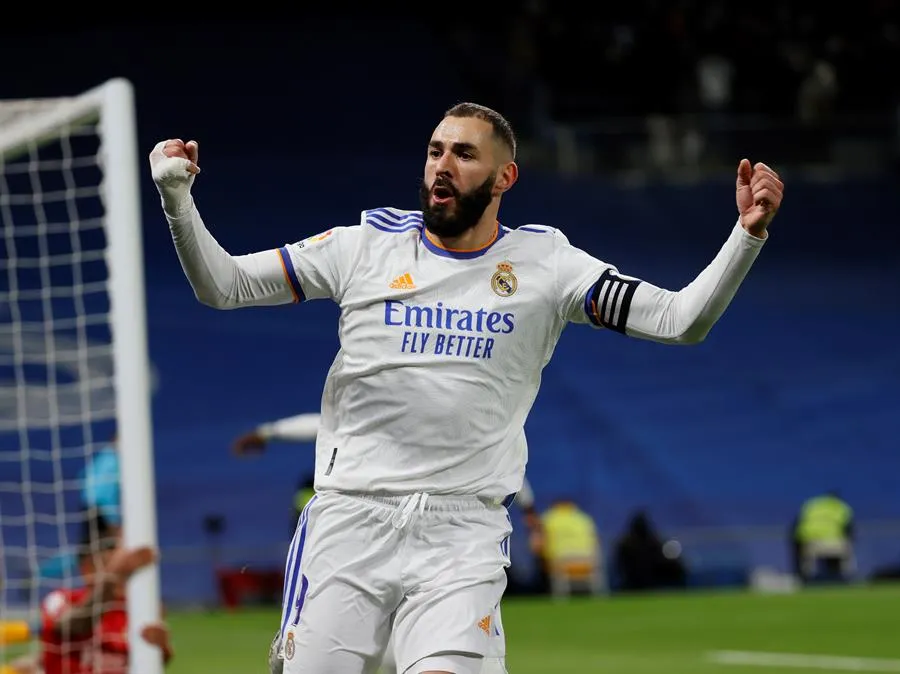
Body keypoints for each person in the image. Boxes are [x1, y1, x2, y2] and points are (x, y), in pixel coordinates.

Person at [150, 101, 783, 674]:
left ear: (505, 178)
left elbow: (679, 320)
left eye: (463, 153)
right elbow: (223, 285)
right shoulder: (363, 246)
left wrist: (745, 235)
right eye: (434, 151)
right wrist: (178, 197)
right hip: (349, 522)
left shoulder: (548, 266)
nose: (441, 166)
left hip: (462, 534)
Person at [231, 412, 536, 674]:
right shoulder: (387, 398)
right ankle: (298, 637)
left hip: (460, 534)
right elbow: (323, 422)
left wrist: (268, 432)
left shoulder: (481, 407)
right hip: (369, 528)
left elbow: (505, 454)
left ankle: (298, 639)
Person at [39, 527, 172, 674]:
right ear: (88, 568)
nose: (126, 575)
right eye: (123, 567)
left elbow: (149, 664)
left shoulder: (138, 610)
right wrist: (114, 576)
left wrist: (160, 648)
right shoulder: (60, 599)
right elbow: (73, 627)